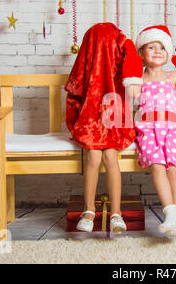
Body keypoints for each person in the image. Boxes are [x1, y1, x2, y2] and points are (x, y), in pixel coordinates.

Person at [125, 25, 176, 236]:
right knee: (157, 165)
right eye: (151, 47)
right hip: (148, 129)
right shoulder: (140, 80)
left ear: (169, 53)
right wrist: (132, 66)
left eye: (162, 47)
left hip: (171, 128)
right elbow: (133, 93)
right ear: (141, 53)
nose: (157, 51)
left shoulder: (172, 76)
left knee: (173, 169)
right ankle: (170, 212)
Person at [65, 23, 143, 233]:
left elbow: (133, 71)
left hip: (115, 121)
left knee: (110, 157)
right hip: (91, 121)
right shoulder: (88, 69)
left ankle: (116, 213)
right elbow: (75, 93)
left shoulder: (121, 65)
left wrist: (127, 45)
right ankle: (88, 209)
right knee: (93, 156)